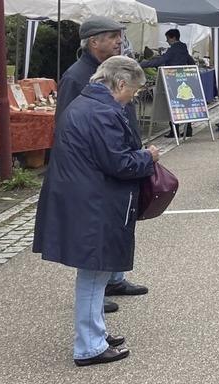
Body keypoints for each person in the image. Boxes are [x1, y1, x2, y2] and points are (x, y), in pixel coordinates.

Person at [33, 56, 160, 366]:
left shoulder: (85, 103)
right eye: (133, 90)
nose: (133, 96)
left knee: (95, 273)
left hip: (84, 197)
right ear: (119, 84)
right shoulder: (103, 112)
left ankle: (95, 334)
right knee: (93, 274)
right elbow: (120, 163)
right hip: (94, 201)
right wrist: (148, 156)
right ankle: (89, 345)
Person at [55, 16, 150, 315]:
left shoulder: (116, 67)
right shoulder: (76, 76)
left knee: (118, 227)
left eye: (118, 36)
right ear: (93, 41)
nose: (118, 40)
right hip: (98, 175)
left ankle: (114, 278)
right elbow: (70, 130)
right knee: (99, 237)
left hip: (118, 161)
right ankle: (100, 286)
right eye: (112, 36)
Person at [140, 28, 195, 139]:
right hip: (184, 79)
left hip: (172, 79)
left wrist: (143, 64)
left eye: (167, 38)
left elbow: (162, 60)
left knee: (173, 106)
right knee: (185, 105)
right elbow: (191, 61)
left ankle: (174, 130)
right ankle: (188, 129)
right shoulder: (183, 47)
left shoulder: (173, 49)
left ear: (173, 38)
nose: (167, 41)